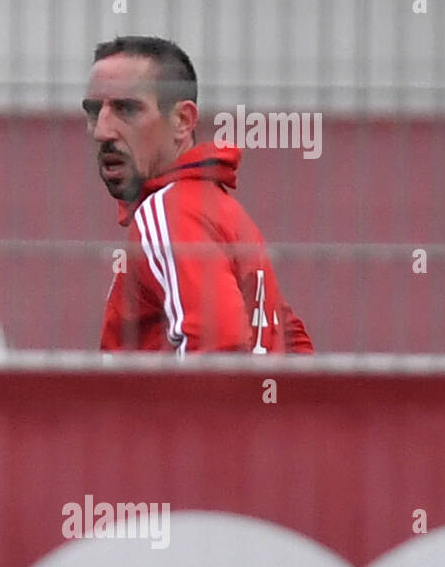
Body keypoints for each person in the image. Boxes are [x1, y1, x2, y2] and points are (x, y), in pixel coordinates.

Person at [84, 35, 312, 354]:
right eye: (95, 111)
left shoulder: (166, 212)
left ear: (182, 121)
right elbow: (292, 344)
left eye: (126, 109)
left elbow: (218, 347)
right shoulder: (224, 213)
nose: (101, 131)